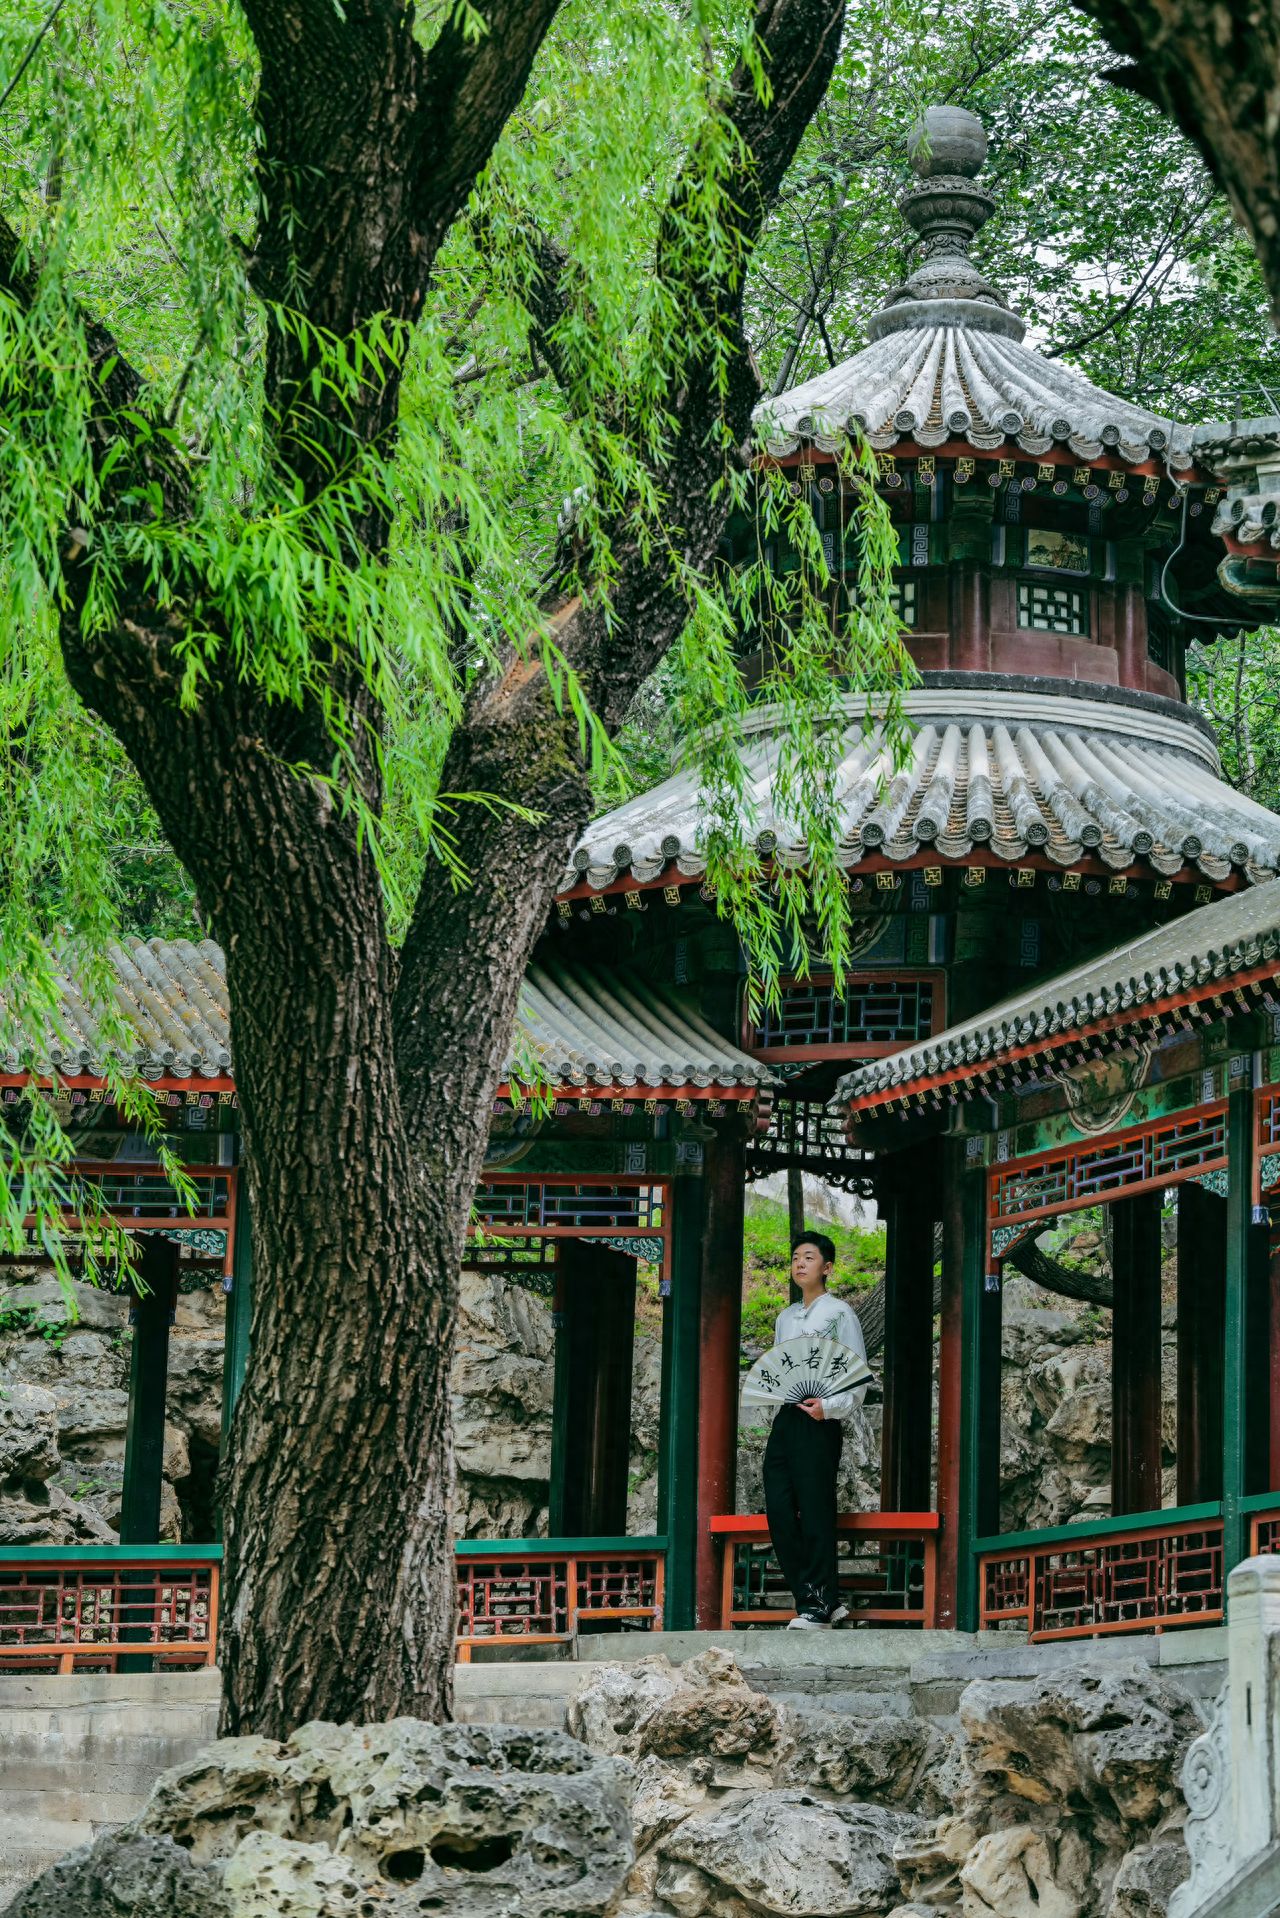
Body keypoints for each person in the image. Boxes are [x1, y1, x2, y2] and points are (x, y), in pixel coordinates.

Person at [761, 1232, 868, 1630]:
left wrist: (829, 1407)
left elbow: (856, 1376)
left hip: (820, 1419)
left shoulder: (840, 1314)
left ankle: (818, 1605)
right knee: (779, 1508)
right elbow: (776, 1368)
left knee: (816, 1509)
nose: (799, 1263)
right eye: (795, 1258)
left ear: (827, 1267)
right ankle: (818, 1597)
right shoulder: (785, 1318)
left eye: (808, 1257)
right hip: (787, 1418)